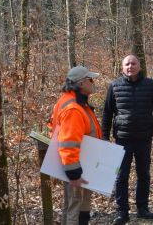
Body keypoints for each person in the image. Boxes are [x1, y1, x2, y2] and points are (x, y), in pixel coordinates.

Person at [101, 55, 153, 225]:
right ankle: (122, 212)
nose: (130, 66)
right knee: (121, 176)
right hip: (122, 139)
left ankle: (143, 209)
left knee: (143, 175)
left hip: (144, 138)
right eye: (127, 64)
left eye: (133, 63)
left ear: (139, 66)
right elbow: (107, 113)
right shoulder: (114, 86)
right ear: (122, 67)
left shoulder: (150, 85)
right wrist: (104, 136)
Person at [48, 66, 102, 225]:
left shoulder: (73, 101)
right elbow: (68, 143)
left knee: (77, 206)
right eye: (90, 79)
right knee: (75, 209)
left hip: (80, 164)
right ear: (81, 84)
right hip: (75, 167)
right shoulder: (73, 108)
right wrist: (74, 175)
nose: (93, 82)